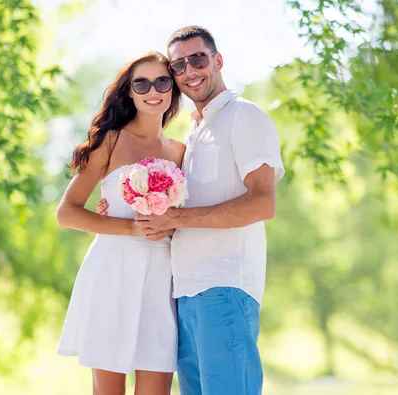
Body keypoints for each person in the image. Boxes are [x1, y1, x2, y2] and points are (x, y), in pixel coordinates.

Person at [97, 26, 285, 395]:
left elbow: (263, 202)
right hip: (183, 294)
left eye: (197, 59)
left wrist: (176, 218)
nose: (189, 71)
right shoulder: (195, 135)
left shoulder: (244, 116)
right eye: (178, 65)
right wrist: (119, 208)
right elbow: (178, 210)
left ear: (217, 60)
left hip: (224, 288)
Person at [56, 51, 185, 395]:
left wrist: (169, 227)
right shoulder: (110, 140)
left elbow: (184, 219)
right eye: (141, 82)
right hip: (113, 270)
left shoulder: (181, 151)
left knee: (157, 386)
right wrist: (129, 228)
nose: (152, 90)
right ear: (129, 91)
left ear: (173, 88)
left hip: (162, 275)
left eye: (162, 81)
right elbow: (66, 212)